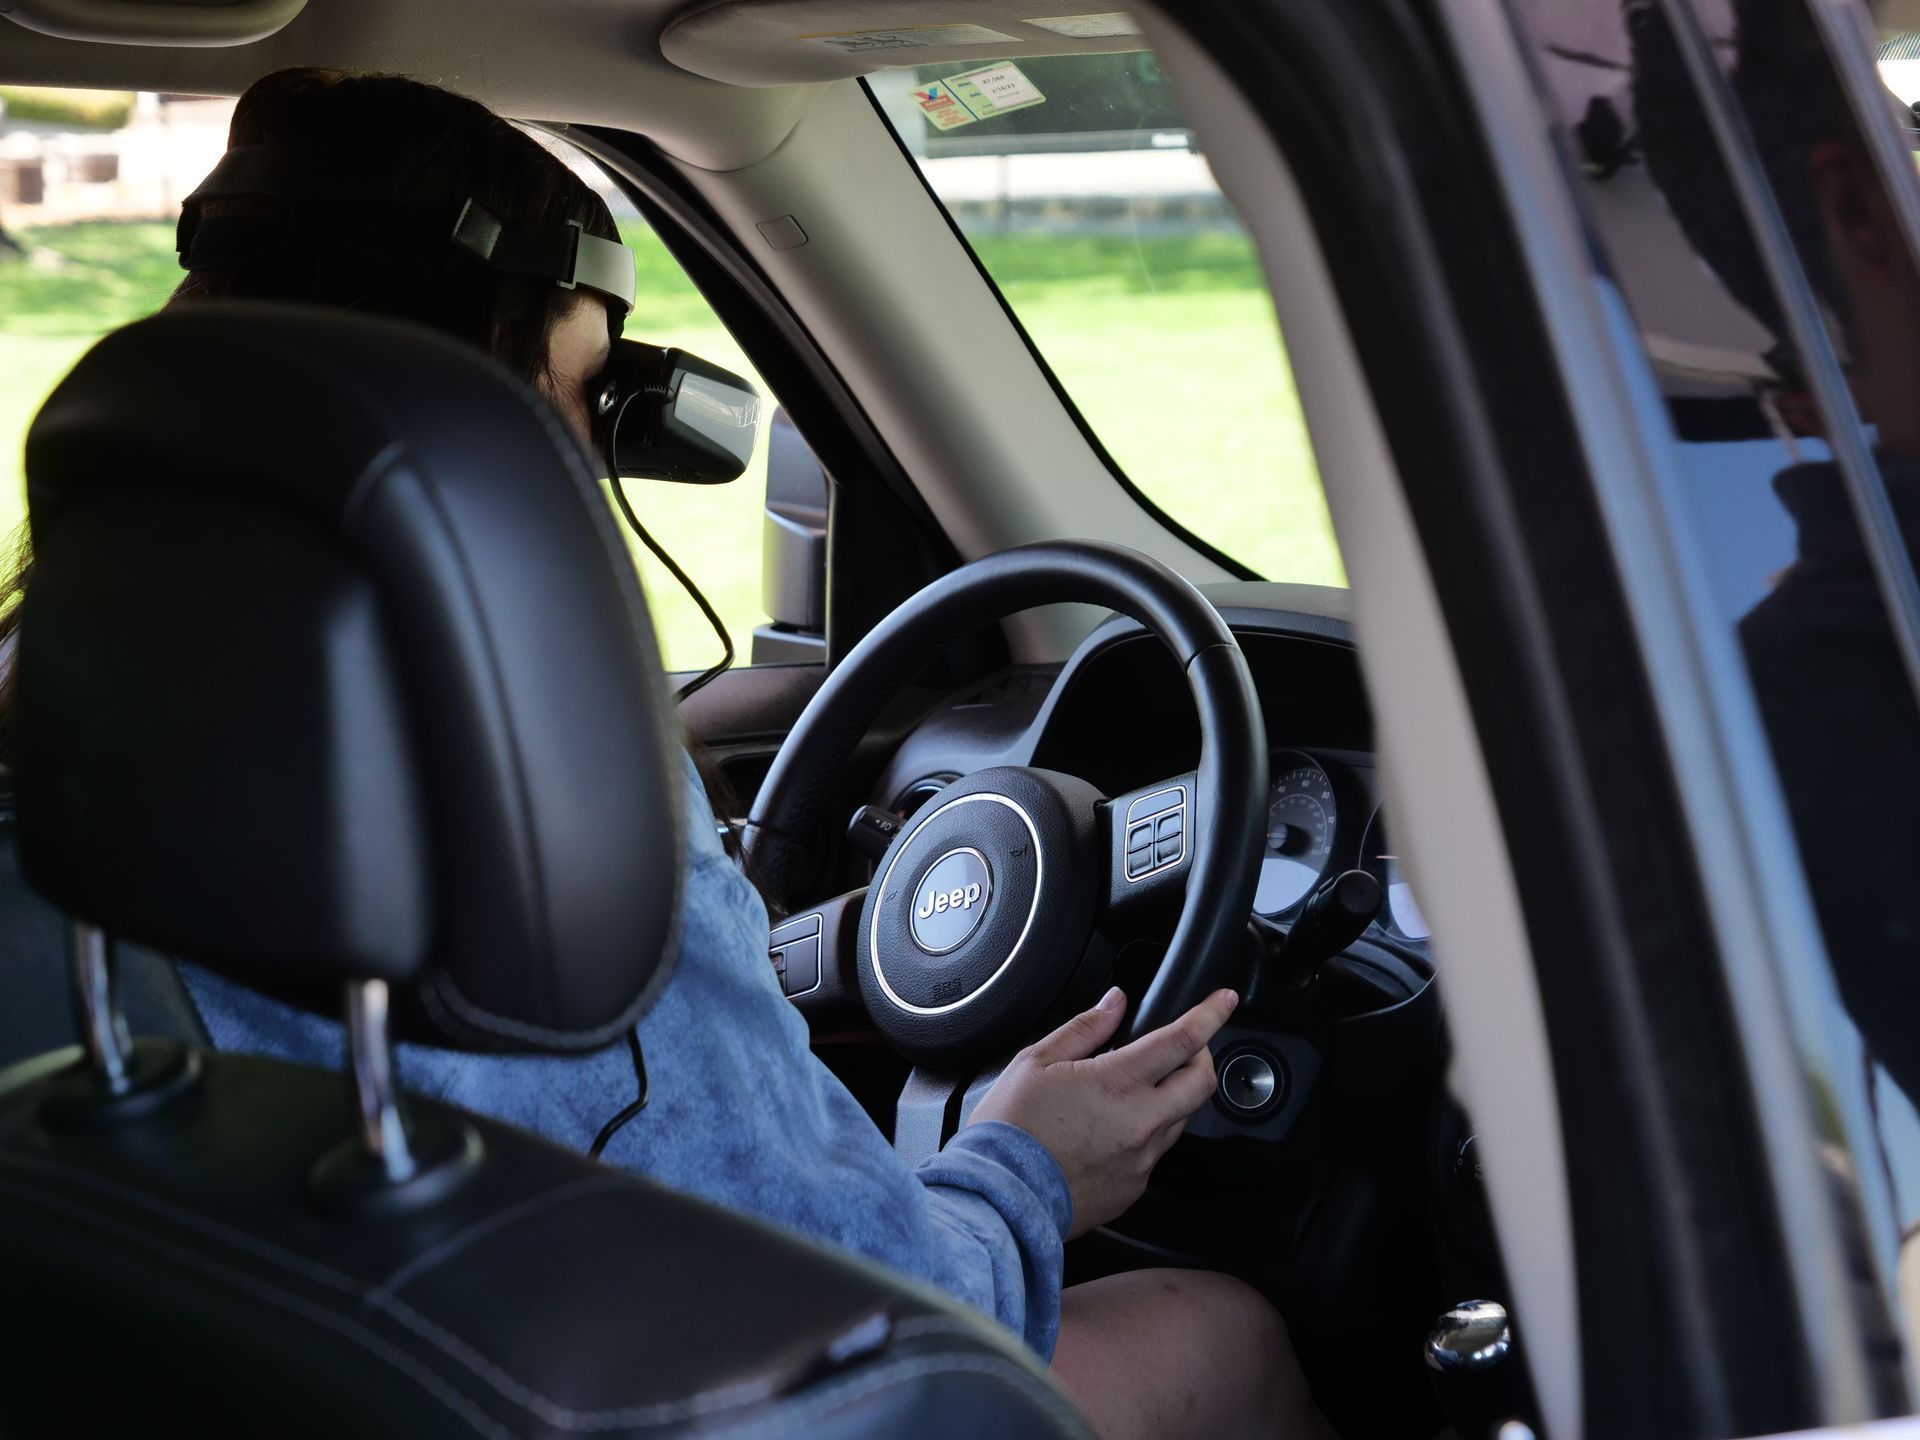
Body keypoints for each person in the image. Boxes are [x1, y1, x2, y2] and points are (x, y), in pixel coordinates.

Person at [0, 69, 1326, 1440]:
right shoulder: (541, 831)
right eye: (572, 392)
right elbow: (863, 1309)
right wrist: (1029, 1166)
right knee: (1220, 1338)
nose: (588, 458)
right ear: (465, 421)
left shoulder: (67, 746)